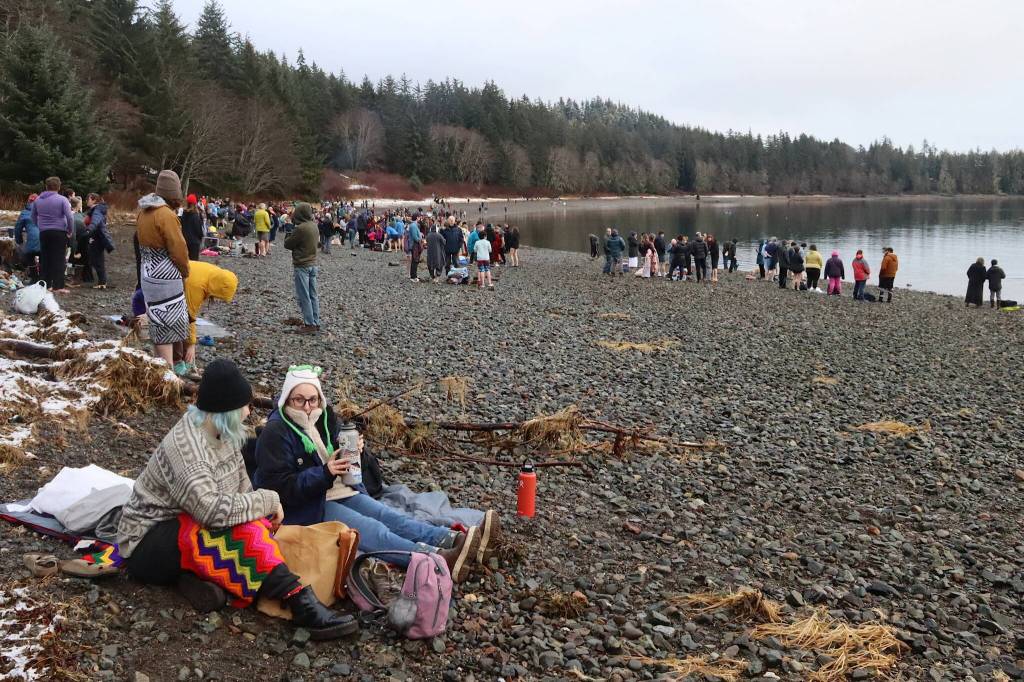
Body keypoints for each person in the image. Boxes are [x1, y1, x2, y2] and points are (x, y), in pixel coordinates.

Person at [117, 361, 357, 638]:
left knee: (252, 526)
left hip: (183, 526)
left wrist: (260, 515)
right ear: (226, 410)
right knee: (233, 532)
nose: (249, 411)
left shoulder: (224, 433)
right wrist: (267, 501)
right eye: (244, 406)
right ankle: (298, 600)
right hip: (146, 542)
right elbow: (211, 511)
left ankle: (200, 578)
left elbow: (241, 484)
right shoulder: (187, 449)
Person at [254, 366, 502, 583]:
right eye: (299, 400)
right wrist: (324, 472)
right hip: (307, 506)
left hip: (339, 489)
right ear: (287, 400)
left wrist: (358, 453)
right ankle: (436, 560)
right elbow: (280, 489)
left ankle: (454, 539)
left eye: (313, 399)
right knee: (372, 530)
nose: (308, 407)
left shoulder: (326, 416)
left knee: (389, 516)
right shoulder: (275, 433)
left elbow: (346, 459)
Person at [137, 170, 191, 366]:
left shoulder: (144, 212)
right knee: (168, 324)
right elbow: (178, 248)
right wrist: (185, 271)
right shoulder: (166, 215)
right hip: (165, 275)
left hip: (148, 272)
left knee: (156, 320)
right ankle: (167, 371)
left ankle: (159, 366)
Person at [177, 261, 238, 375]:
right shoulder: (197, 285)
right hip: (165, 287)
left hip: (181, 280)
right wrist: (191, 344)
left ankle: (187, 362)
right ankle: (177, 363)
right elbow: (188, 316)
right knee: (177, 324)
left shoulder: (216, 274)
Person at [31, 176, 75, 293]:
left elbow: (33, 216)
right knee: (59, 258)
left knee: (45, 258)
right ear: (59, 187)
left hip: (44, 232)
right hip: (59, 232)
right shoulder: (62, 200)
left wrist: (40, 226)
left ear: (46, 186)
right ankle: (58, 286)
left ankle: (45, 284)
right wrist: (70, 230)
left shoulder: (38, 200)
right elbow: (70, 217)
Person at [284, 203, 320, 334]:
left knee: (304, 296)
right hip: (313, 264)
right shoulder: (314, 226)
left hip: (302, 265)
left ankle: (309, 324)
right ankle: (315, 322)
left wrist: (289, 229)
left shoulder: (301, 228)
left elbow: (288, 244)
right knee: (313, 295)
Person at [85, 193, 113, 289]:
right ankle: (102, 282)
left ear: (93, 200)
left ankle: (102, 283)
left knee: (97, 260)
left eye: (88, 199)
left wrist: (89, 229)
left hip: (97, 238)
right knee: (96, 259)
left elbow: (95, 221)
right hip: (97, 238)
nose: (86, 201)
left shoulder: (96, 210)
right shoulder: (96, 209)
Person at [14, 194, 41, 283]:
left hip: (32, 242)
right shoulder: (45, 211)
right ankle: (43, 278)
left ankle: (34, 278)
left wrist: (19, 241)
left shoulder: (25, 212)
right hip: (46, 240)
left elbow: (18, 228)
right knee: (44, 257)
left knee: (29, 256)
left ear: (29, 201)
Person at [180, 194, 205, 261]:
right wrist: (200, 238)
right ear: (195, 204)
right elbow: (199, 230)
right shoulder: (196, 216)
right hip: (194, 243)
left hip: (184, 241)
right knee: (194, 263)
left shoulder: (183, 214)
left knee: (185, 262)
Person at [408, 217, 423, 282]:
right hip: (414, 245)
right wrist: (420, 239)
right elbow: (415, 237)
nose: (420, 218)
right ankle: (413, 277)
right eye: (419, 217)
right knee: (415, 261)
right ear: (417, 218)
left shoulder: (413, 225)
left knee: (414, 260)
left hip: (414, 245)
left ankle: (413, 275)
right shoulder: (413, 226)